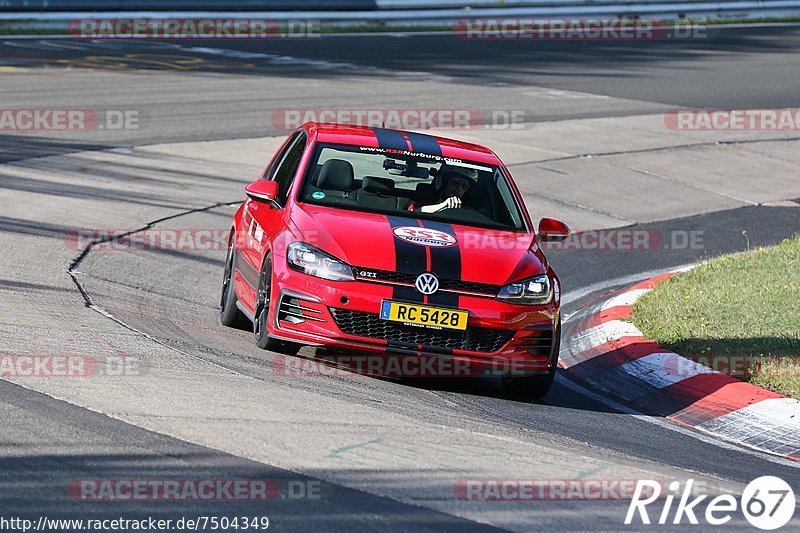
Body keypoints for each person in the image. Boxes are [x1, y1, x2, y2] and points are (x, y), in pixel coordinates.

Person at [407, 166, 477, 213]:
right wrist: (443, 205)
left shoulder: (469, 214)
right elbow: (415, 213)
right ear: (442, 183)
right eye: (454, 182)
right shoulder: (419, 203)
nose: (459, 189)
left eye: (465, 186)